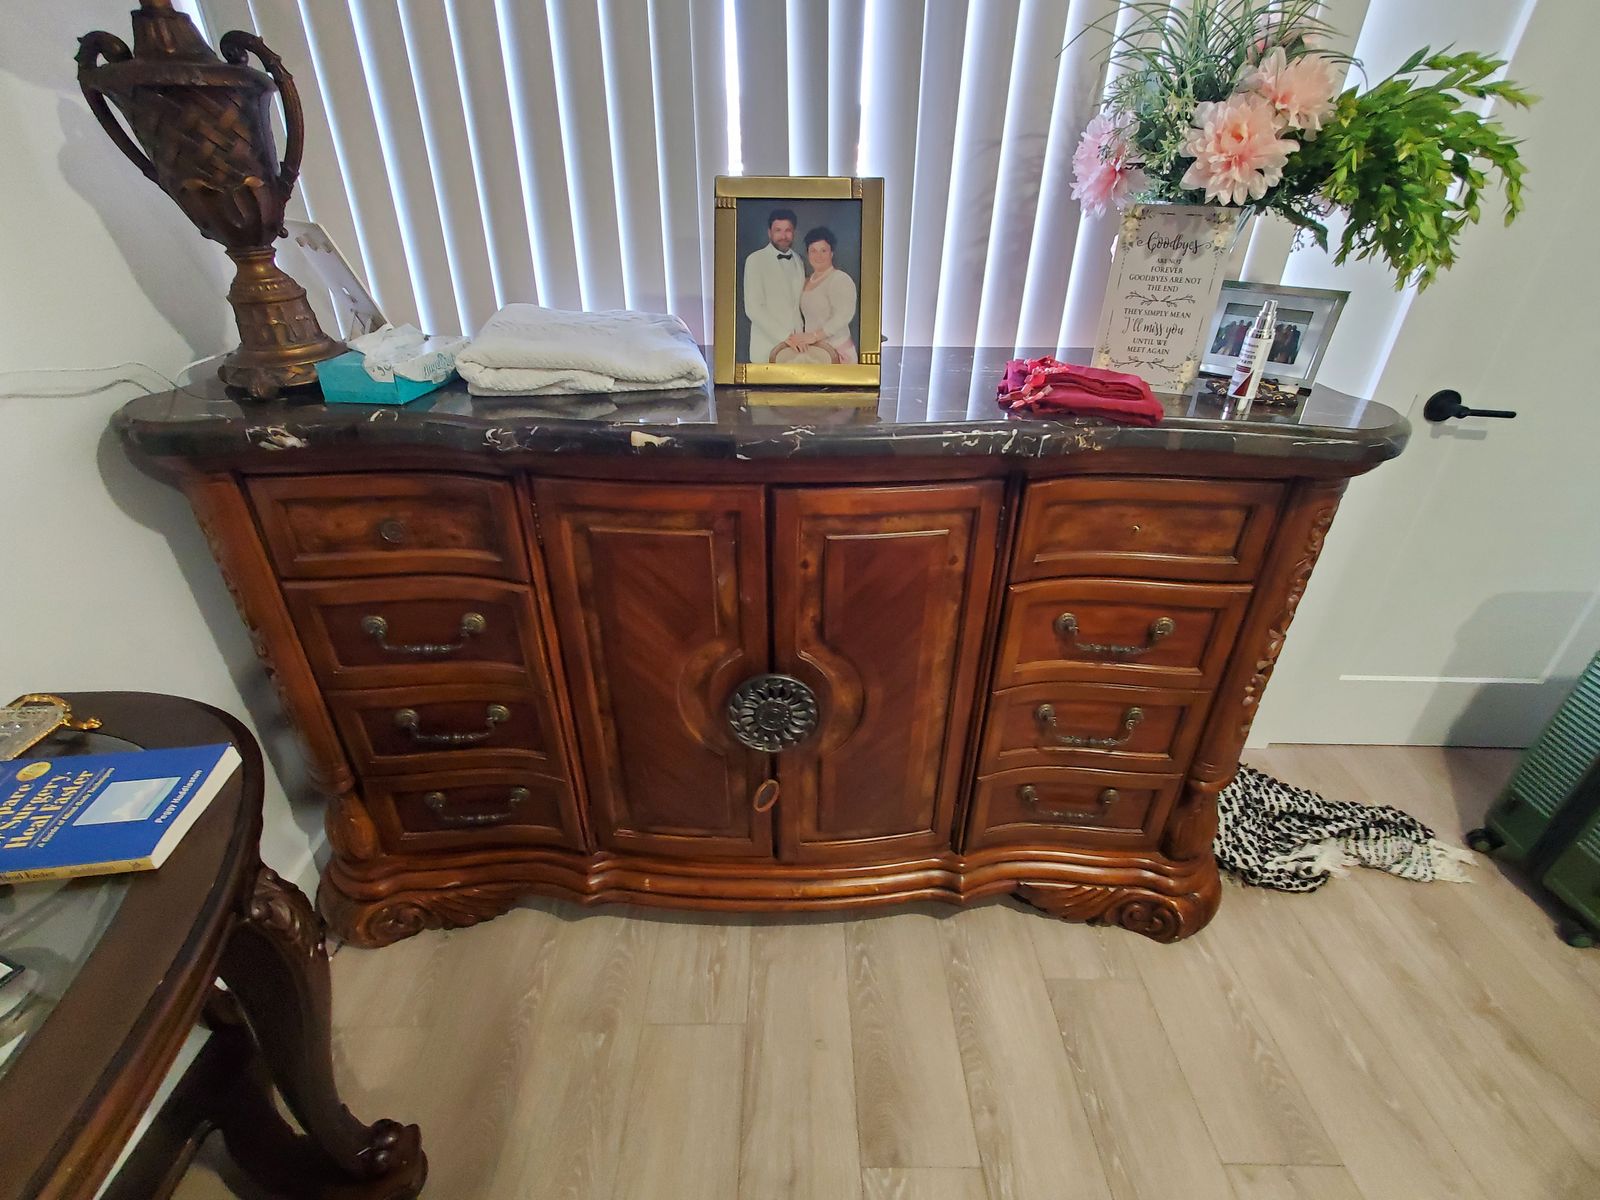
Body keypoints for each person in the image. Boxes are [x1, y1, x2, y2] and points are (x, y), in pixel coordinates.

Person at [774, 226, 858, 364]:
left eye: (823, 250)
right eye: (813, 251)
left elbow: (843, 316)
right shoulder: (805, 281)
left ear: (831, 253)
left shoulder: (840, 279)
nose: (818, 256)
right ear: (808, 254)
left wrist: (814, 336)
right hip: (814, 352)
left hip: (837, 354)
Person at [743, 208, 805, 363]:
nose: (783, 236)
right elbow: (753, 308)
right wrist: (786, 337)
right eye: (778, 230)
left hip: (797, 349)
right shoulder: (755, 260)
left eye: (788, 230)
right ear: (769, 233)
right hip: (766, 347)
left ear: (794, 233)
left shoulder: (798, 260)